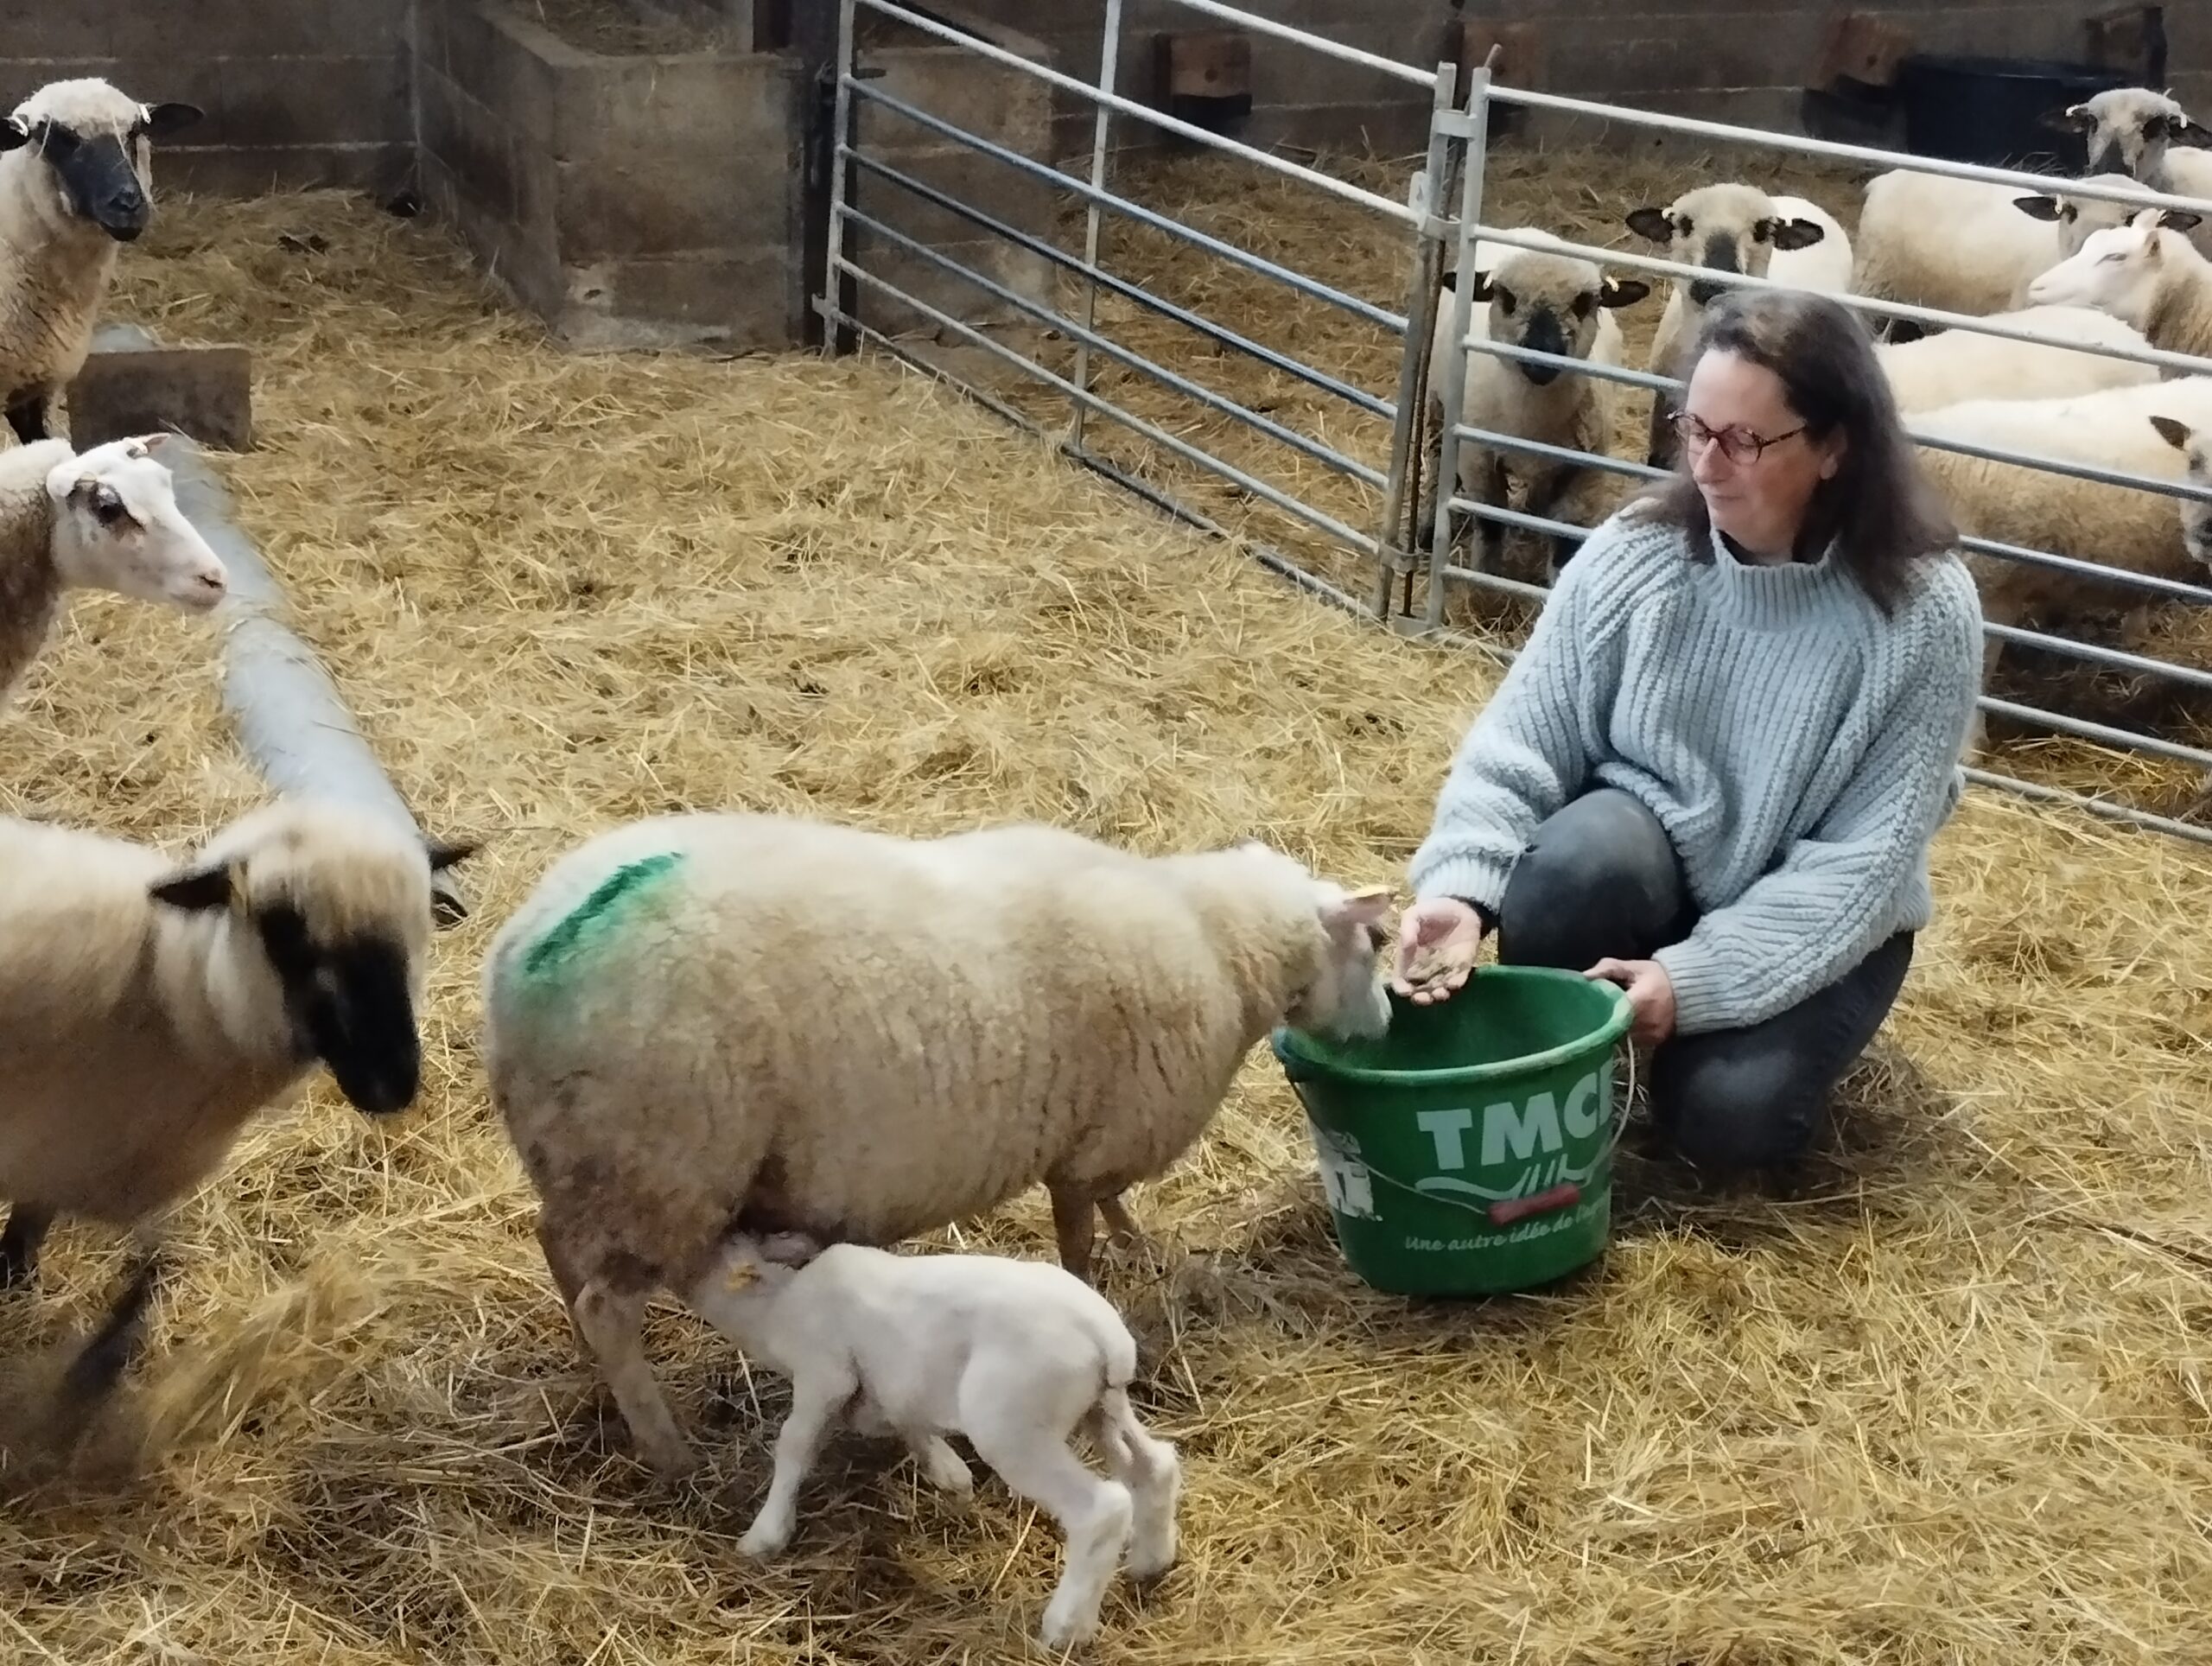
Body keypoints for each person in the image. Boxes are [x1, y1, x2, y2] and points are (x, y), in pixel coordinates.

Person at [1393, 285, 1983, 1178]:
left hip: (1817, 908)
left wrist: (1696, 983)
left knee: (1726, 1125)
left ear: (1833, 447)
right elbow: (1521, 739)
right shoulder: (1638, 554)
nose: (1706, 466)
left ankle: (1684, 1045)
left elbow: (1860, 865)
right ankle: (1580, 1052)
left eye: (1741, 440)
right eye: (1692, 428)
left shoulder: (1921, 612)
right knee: (1565, 872)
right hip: (1653, 855)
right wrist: (1463, 891)